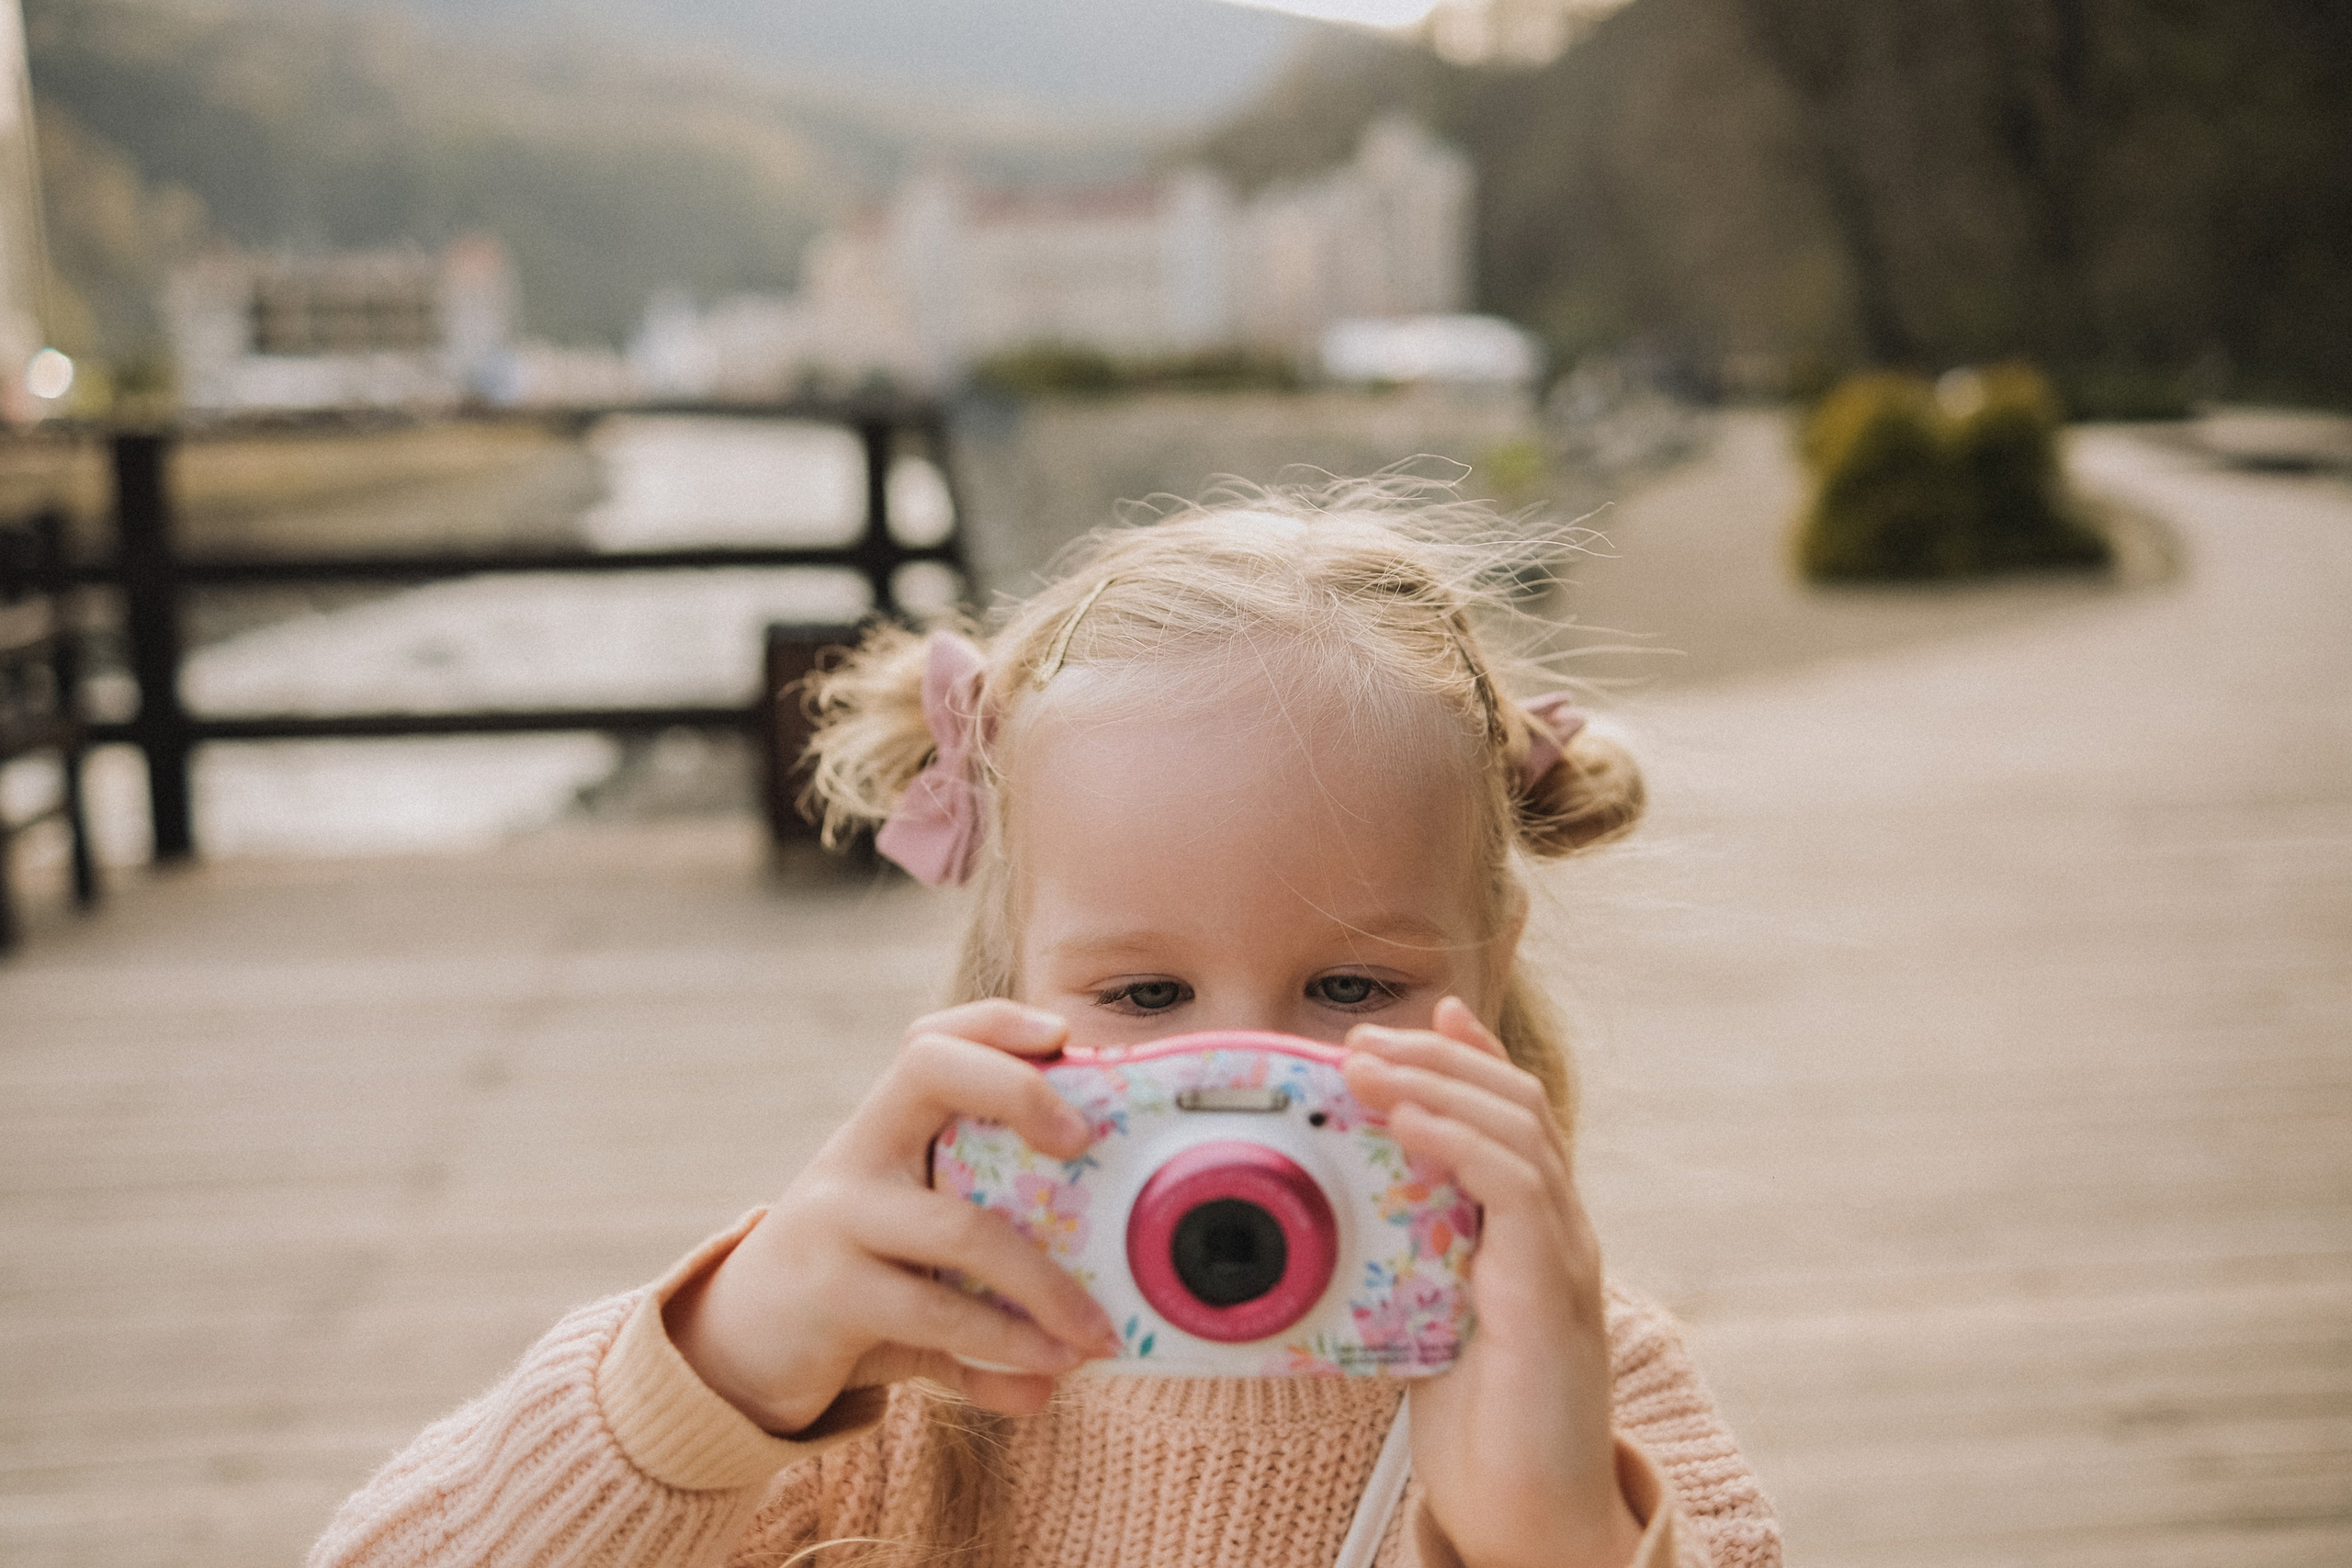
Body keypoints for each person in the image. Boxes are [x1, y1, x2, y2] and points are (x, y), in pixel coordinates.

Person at [311, 479, 1781, 1568]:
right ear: (1003, 990)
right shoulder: (885, 1406)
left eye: (1351, 988)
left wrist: (1552, 1532)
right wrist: (718, 1368)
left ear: (1489, 965)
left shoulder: (1587, 1387)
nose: (1246, 1085)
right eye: (1144, 996)